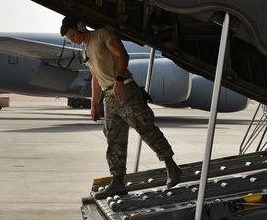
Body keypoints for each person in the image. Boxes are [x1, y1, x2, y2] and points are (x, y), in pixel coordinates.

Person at [60, 16, 182, 198]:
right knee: (113, 139)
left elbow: (123, 55)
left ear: (80, 26)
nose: (73, 40)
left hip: (125, 90)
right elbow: (95, 78)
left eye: (72, 36)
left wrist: (118, 79)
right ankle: (117, 182)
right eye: (69, 39)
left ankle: (171, 167)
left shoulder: (102, 35)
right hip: (109, 98)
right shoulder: (85, 50)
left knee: (145, 128)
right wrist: (94, 105)